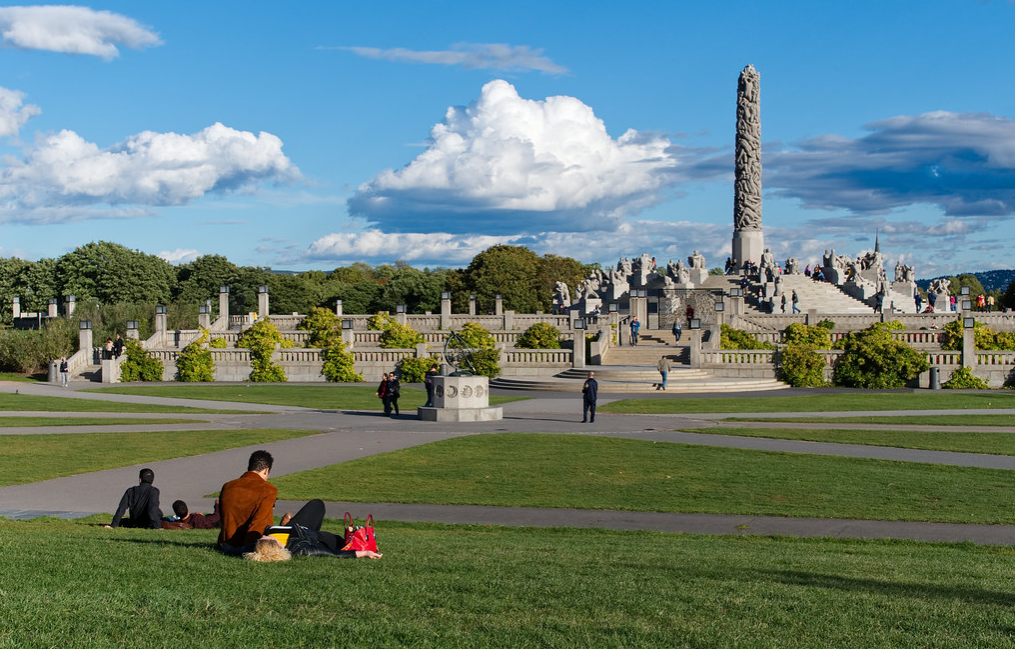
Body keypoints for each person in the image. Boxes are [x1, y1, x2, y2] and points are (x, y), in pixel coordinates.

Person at [246, 499, 382, 561]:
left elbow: (231, 548)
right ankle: (287, 525)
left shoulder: (257, 546)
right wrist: (364, 553)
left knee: (316, 504)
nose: (262, 536)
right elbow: (333, 554)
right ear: (278, 544)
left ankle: (286, 525)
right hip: (313, 537)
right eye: (266, 537)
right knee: (340, 541)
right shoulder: (302, 549)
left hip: (295, 528)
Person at [218, 450, 278, 553]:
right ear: (266, 471)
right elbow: (259, 523)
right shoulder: (268, 490)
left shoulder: (228, 486)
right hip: (248, 545)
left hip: (225, 544)